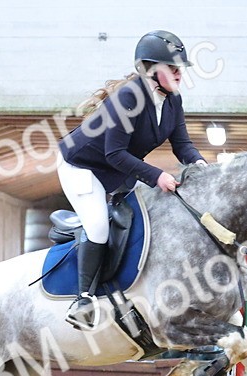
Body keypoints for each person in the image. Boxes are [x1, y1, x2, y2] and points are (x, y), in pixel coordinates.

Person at [57, 30, 207, 329]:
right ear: (150, 70)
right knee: (98, 225)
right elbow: (115, 153)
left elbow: (182, 146)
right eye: (172, 68)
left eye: (181, 68)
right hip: (81, 166)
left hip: (116, 171)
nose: (179, 73)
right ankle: (83, 299)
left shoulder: (173, 101)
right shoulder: (129, 97)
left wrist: (202, 166)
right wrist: (157, 176)